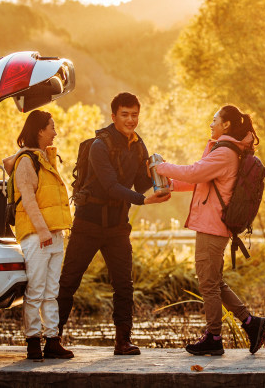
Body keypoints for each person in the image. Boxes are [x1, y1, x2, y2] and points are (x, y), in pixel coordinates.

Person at [57, 92, 171, 355]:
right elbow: (110, 186)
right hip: (88, 223)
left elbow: (141, 184)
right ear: (114, 116)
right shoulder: (100, 145)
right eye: (125, 115)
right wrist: (144, 201)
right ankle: (52, 338)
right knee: (69, 282)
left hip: (117, 226)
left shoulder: (138, 145)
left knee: (124, 284)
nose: (131, 120)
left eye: (134, 115)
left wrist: (162, 184)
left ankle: (122, 341)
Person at [155, 105, 265, 356]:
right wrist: (171, 184)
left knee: (208, 284)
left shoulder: (225, 153)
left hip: (212, 226)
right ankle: (252, 323)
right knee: (215, 282)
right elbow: (200, 179)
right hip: (214, 224)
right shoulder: (226, 151)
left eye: (215, 119)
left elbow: (195, 172)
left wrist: (162, 168)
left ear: (226, 125)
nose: (211, 123)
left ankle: (214, 337)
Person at [3, 110, 74, 360]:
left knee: (51, 290)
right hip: (37, 235)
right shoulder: (26, 161)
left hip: (55, 234)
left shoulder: (45, 158)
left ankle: (52, 340)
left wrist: (57, 231)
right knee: (36, 289)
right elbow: (29, 200)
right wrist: (43, 231)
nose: (55, 131)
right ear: (39, 130)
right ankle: (33, 341)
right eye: (51, 127)